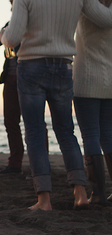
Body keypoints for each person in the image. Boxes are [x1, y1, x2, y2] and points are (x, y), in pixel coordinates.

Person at [0, 0, 112, 211]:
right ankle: (80, 194)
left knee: (34, 132)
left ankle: (44, 200)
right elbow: (107, 19)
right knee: (66, 132)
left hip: (31, 65)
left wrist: (3, 35)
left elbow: (12, 38)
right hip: (63, 66)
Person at [73, 0, 112, 205]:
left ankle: (98, 193)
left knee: (90, 135)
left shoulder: (86, 5)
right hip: (110, 82)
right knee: (108, 134)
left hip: (86, 80)